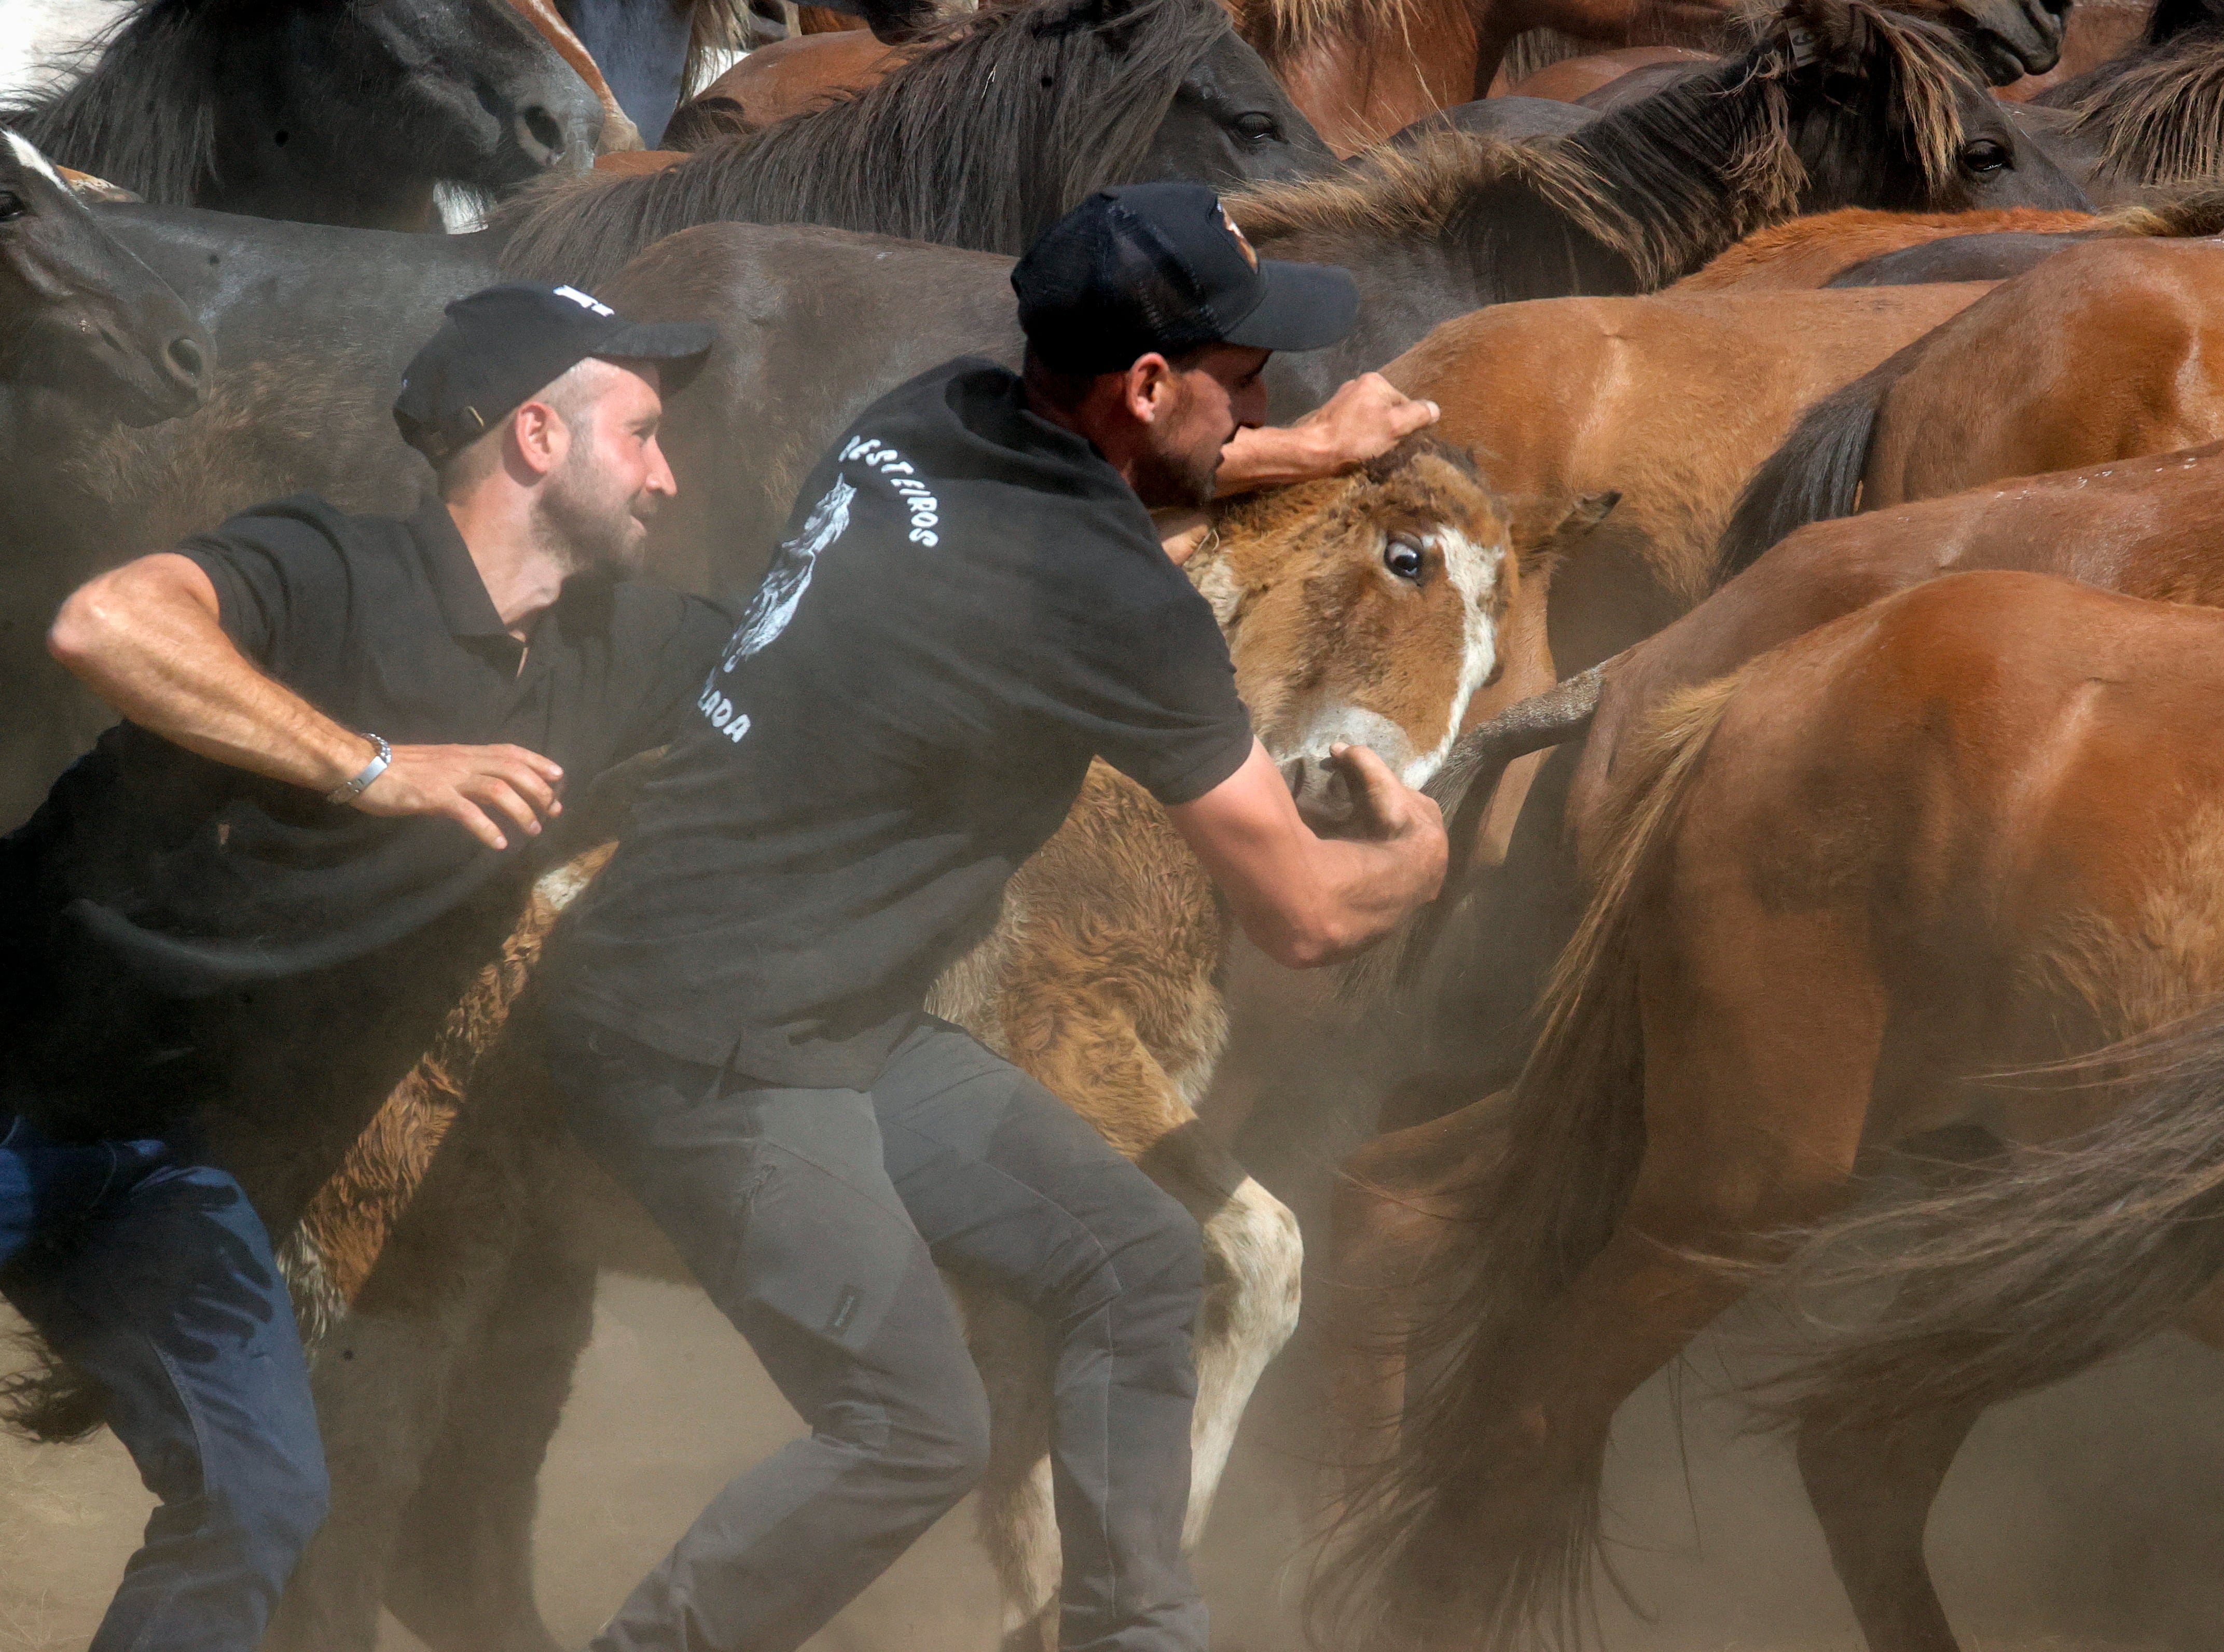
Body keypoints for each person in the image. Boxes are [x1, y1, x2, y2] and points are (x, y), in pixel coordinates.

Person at [543, 182, 1449, 1652]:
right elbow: (1300, 915)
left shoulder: (931, 412)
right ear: (1148, 385)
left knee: (1145, 1257)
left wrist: (1297, 449)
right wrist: (1419, 861)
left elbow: (1108, 489)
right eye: (1243, 379)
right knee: (913, 1428)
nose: (1266, 397)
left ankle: (1129, 1631)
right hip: (707, 1045)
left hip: (817, 1005)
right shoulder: (1114, 603)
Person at [0, 282, 731, 1652]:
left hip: (168, 1163)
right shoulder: (328, 565)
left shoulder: (617, 649)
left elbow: (847, 645)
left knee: (257, 1496)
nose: (667, 472)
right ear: (533, 438)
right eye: (638, 431)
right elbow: (105, 623)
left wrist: (1232, 466)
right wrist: (373, 766)